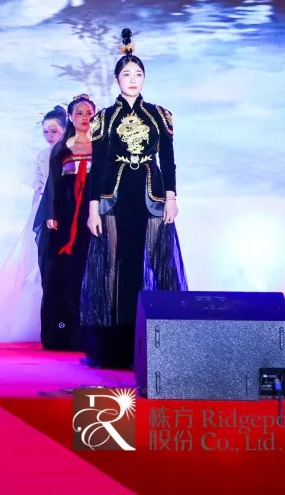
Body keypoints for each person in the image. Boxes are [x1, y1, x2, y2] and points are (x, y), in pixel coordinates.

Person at [82, 29, 188, 369]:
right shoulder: (104, 118)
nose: (132, 79)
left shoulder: (159, 115)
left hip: (150, 192)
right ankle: (116, 346)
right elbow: (98, 166)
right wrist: (93, 208)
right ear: (116, 79)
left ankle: (164, 342)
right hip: (114, 195)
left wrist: (171, 197)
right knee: (116, 266)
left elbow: (168, 160)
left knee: (159, 264)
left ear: (144, 79)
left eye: (138, 74)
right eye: (126, 74)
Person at [0, 105, 66, 341]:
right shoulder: (43, 155)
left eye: (54, 131)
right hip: (43, 211)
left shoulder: (71, 153)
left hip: (66, 209)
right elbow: (37, 190)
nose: (49, 136)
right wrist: (34, 217)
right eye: (46, 132)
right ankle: (34, 322)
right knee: (36, 264)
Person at [36, 95, 95, 350]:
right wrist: (51, 214)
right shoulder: (62, 148)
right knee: (65, 271)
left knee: (90, 271)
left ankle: (92, 334)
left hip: (94, 216)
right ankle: (62, 333)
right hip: (67, 217)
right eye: (79, 113)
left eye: (89, 112)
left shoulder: (102, 146)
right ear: (70, 117)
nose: (84, 117)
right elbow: (53, 184)